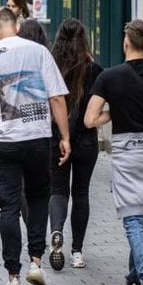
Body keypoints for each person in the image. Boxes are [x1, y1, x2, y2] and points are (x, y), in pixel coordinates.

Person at [0, 7, 71, 285]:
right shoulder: (39, 52)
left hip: (2, 143)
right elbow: (57, 98)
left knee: (9, 208)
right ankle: (36, 263)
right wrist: (64, 136)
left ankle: (13, 277)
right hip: (38, 139)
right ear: (16, 25)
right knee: (39, 198)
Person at [84, 20, 143, 285]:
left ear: (126, 42)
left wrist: (114, 111)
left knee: (133, 218)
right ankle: (133, 279)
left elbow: (90, 120)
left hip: (127, 152)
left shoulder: (109, 77)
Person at [47, 18, 103, 271]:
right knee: (81, 193)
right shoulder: (94, 70)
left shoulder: (51, 66)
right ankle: (77, 251)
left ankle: (56, 232)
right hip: (86, 140)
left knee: (58, 189)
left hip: (56, 137)